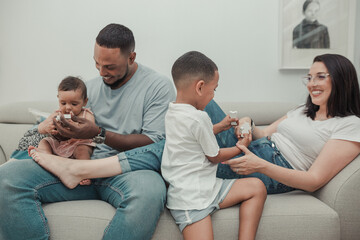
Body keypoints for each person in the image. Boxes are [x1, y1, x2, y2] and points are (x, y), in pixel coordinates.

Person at [0, 23, 176, 240]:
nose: (102, 72)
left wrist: (97, 133)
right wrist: (58, 130)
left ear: (131, 58)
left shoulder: (158, 87)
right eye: (97, 63)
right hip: (75, 169)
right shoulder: (88, 88)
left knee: (150, 191)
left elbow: (153, 144)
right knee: (7, 177)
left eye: (110, 67)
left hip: (126, 173)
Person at [205, 53, 360, 194]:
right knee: (203, 97)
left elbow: (313, 181)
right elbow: (265, 134)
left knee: (193, 163)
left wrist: (260, 165)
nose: (311, 84)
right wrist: (248, 122)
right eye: (310, 78)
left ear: (341, 80)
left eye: (320, 77)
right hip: (254, 150)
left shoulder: (351, 125)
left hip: (272, 170)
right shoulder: (303, 109)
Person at [161, 51, 266, 240]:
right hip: (190, 200)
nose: (214, 94)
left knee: (256, 187)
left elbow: (193, 137)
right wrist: (241, 146)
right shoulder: (199, 117)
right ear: (200, 87)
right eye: (214, 89)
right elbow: (214, 156)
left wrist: (219, 127)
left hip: (209, 188)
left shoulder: (172, 112)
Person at [29, 76, 95, 185]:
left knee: (82, 150)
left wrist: (77, 126)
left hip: (78, 144)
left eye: (74, 104)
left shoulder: (86, 114)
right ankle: (45, 158)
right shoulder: (57, 114)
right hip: (61, 145)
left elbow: (91, 129)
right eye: (63, 103)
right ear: (58, 99)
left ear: (84, 102)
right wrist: (46, 128)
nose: (68, 108)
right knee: (45, 141)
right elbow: (40, 128)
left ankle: (84, 173)